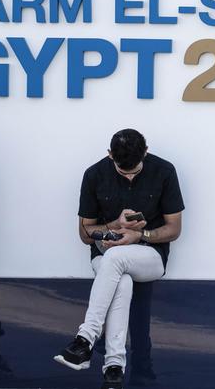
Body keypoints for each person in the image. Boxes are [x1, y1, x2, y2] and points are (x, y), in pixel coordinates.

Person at [54, 129, 184, 389]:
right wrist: (114, 225)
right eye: (122, 170)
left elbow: (174, 229)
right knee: (120, 278)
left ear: (145, 153)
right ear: (109, 154)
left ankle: (85, 339)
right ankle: (114, 367)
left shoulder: (164, 171)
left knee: (116, 259)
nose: (128, 175)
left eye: (134, 171)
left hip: (150, 255)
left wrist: (140, 234)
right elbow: (85, 233)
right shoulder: (94, 174)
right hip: (104, 255)